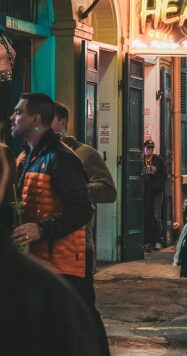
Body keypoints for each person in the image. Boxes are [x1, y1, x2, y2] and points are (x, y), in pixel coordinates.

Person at [0, 120, 100, 356]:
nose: (13, 118)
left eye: (20, 113)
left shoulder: (42, 304)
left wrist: (42, 228)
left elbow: (83, 207)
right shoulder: (26, 157)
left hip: (66, 256)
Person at [52, 102, 116, 356]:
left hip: (78, 244)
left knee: (83, 307)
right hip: (48, 244)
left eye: (48, 121)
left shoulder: (84, 153)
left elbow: (108, 191)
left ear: (63, 124)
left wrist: (75, 191)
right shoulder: (35, 154)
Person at [143, 139, 168, 251]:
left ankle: (158, 240)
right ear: (144, 148)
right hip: (145, 192)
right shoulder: (141, 160)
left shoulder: (158, 160)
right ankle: (148, 240)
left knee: (156, 216)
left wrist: (158, 185)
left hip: (157, 192)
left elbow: (164, 175)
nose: (150, 150)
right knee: (146, 215)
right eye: (148, 147)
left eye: (152, 148)